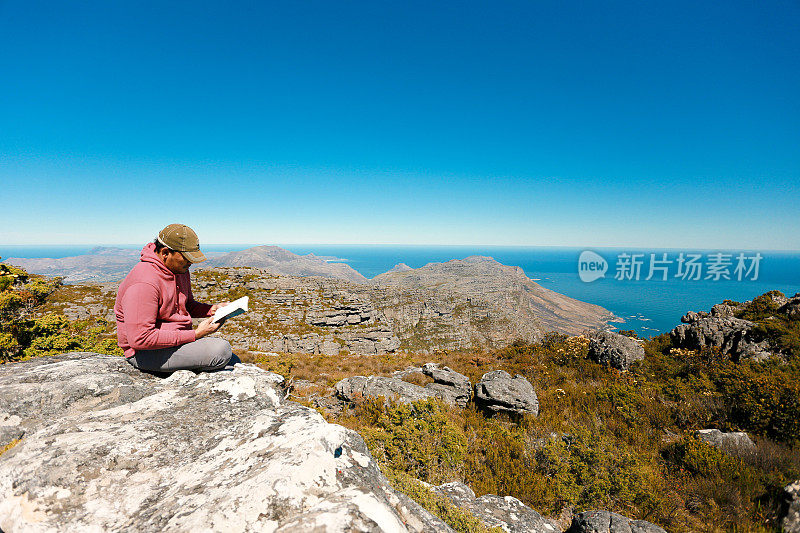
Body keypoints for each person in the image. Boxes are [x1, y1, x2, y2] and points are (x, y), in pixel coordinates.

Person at [114, 223, 237, 373]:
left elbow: (187, 305)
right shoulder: (144, 283)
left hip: (175, 342)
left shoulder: (179, 270)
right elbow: (141, 339)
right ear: (165, 252)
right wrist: (196, 334)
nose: (190, 263)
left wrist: (211, 309)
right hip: (145, 353)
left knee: (232, 359)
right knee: (221, 351)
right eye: (186, 258)